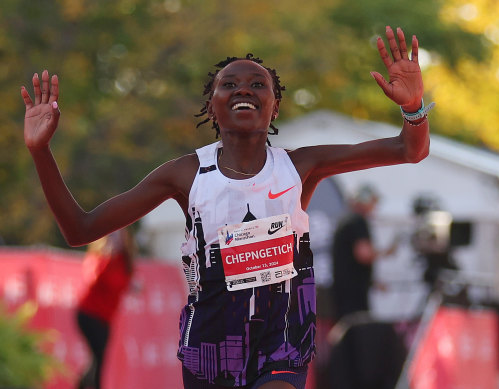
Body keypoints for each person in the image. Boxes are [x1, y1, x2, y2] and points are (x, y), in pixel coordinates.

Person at [20, 26, 431, 389]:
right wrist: (40, 151)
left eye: (258, 84)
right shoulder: (184, 175)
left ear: (275, 106)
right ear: (211, 106)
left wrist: (413, 108)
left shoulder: (301, 166)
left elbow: (409, 150)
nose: (244, 89)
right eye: (229, 84)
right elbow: (80, 229)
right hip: (211, 343)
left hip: (282, 336)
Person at [75, 228, 135, 389]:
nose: (116, 239)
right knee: (98, 358)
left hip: (106, 318)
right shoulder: (99, 257)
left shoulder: (124, 260)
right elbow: (92, 279)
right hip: (89, 314)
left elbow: (123, 282)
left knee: (97, 360)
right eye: (112, 235)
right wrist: (106, 257)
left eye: (119, 235)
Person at [331, 184, 397, 320]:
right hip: (353, 295)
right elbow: (363, 254)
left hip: (344, 292)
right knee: (356, 330)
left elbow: (349, 261)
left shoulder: (346, 220)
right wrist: (386, 252)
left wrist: (373, 281)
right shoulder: (357, 221)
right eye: (373, 202)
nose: (375, 207)